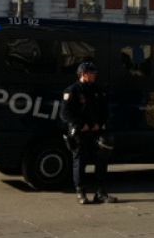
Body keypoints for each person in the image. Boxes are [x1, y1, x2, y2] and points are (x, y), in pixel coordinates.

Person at [62, 61, 116, 204]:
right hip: (80, 132)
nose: (94, 76)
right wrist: (81, 125)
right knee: (80, 161)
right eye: (92, 73)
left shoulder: (98, 90)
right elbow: (65, 113)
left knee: (102, 161)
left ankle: (100, 193)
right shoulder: (72, 90)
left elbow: (105, 110)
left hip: (96, 131)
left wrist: (99, 123)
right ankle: (81, 192)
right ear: (83, 74)